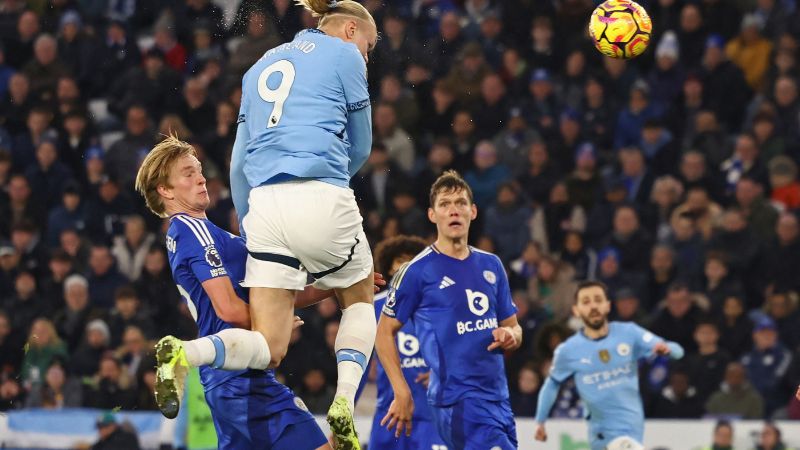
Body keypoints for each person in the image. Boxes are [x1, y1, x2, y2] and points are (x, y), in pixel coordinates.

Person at [228, 1, 378, 447]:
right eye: (368, 46)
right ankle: (345, 400)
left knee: (271, 344)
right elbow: (362, 144)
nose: (366, 57)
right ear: (351, 29)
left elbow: (238, 164)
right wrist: (329, 185)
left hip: (264, 206)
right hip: (321, 190)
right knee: (360, 295)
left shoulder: (256, 68)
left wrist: (248, 228)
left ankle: (190, 353)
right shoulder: (346, 55)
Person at [134, 137, 330, 449]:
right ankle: (181, 353)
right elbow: (227, 308)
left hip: (230, 377)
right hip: (240, 377)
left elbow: (275, 297)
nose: (200, 178)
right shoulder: (191, 230)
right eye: (188, 173)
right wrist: (272, 324)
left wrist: (334, 286)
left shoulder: (214, 234)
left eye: (199, 170)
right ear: (165, 190)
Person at [377, 170, 523, 449]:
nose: (453, 210)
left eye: (460, 203)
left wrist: (512, 335)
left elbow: (513, 326)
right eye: (445, 204)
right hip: (456, 400)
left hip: (498, 398)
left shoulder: (492, 265)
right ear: (433, 215)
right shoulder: (418, 271)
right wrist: (401, 389)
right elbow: (383, 332)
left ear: (473, 211)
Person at [534, 281, 685, 450]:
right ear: (576, 310)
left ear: (607, 305)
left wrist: (667, 349)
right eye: (586, 302)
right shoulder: (568, 350)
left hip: (634, 425)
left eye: (598, 300)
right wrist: (540, 421)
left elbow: (678, 351)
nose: (593, 307)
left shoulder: (629, 332)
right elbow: (552, 384)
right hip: (604, 431)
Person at [357, 235, 448, 450]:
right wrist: (347, 405)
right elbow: (359, 362)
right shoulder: (374, 307)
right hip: (389, 415)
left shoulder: (440, 306)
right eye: (400, 259)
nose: (406, 264)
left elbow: (461, 348)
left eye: (413, 259)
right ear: (389, 267)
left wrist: (443, 372)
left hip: (432, 415)